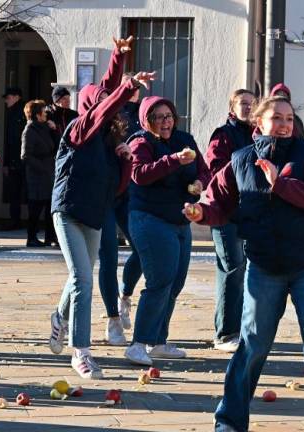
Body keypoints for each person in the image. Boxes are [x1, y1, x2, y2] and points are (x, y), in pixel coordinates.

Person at [183, 95, 304, 432]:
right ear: (259, 123)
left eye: (288, 119)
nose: (284, 125)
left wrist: (280, 184)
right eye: (277, 118)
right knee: (252, 345)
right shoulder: (240, 161)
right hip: (265, 266)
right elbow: (217, 202)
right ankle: (229, 422)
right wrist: (201, 212)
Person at [47, 36, 153, 380]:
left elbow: (119, 187)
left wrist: (119, 57)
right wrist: (125, 84)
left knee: (80, 277)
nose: (112, 107)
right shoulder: (78, 128)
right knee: (82, 279)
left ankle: (59, 317)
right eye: (104, 104)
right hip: (67, 210)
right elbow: (102, 103)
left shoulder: (109, 142)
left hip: (93, 214)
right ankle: (81, 352)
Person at [123, 94, 210, 366]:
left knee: (176, 282)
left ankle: (158, 341)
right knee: (160, 280)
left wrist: (199, 181)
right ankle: (138, 344)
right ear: (146, 120)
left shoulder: (185, 139)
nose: (165, 122)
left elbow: (204, 169)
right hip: (150, 218)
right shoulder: (140, 142)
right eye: (158, 117)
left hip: (181, 219)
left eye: (168, 116)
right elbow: (139, 174)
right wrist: (173, 160)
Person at [205, 89, 255, 352]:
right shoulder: (223, 135)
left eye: (251, 104)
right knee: (232, 269)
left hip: (247, 214)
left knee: (244, 271)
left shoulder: (256, 134)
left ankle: (241, 329)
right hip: (224, 212)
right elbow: (214, 170)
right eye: (243, 104)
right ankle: (224, 334)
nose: (248, 108)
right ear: (232, 108)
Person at [97, 73, 144, 345]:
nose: (134, 90)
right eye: (130, 86)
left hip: (128, 195)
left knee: (140, 247)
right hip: (104, 197)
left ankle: (125, 295)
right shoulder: (106, 113)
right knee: (109, 258)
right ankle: (113, 320)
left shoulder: (140, 113)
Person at [21, 99, 56, 248]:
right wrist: (43, 167)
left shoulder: (44, 127)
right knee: (35, 209)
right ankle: (31, 237)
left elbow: (55, 145)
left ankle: (50, 237)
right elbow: (25, 155)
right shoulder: (30, 130)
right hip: (37, 176)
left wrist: (54, 129)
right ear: (37, 114)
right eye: (43, 111)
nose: (46, 113)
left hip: (48, 174)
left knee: (50, 207)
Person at [1, 87, 26, 231]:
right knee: (14, 192)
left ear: (17, 97)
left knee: (17, 192)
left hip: (20, 160)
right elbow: (9, 140)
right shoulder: (11, 112)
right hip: (15, 160)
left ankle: (17, 221)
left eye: (8, 97)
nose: (6, 100)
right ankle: (15, 220)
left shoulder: (22, 111)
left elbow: (16, 140)